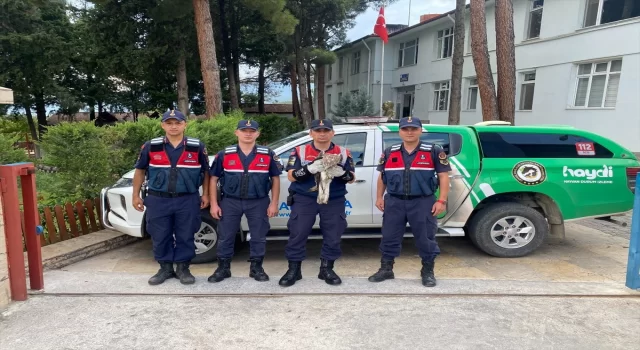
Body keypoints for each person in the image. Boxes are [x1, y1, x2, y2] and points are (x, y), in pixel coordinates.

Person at [368, 116, 451, 287]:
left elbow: (443, 177)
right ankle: (386, 269)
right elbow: (382, 177)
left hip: (422, 202)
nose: (410, 132)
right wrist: (379, 197)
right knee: (389, 236)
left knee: (426, 237)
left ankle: (427, 271)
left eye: (414, 128)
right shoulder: (390, 152)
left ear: (421, 130)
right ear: (400, 131)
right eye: (405, 129)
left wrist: (441, 200)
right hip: (394, 202)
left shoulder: (433, 151)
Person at [132, 109, 210, 285]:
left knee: (186, 234)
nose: (173, 126)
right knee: (160, 235)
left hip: (187, 199)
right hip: (158, 199)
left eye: (177, 123)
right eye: (169, 123)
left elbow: (206, 172)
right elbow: (140, 171)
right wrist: (135, 196)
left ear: (185, 124)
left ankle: (183, 268)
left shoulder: (197, 146)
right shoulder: (151, 146)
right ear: (163, 125)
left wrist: (205, 194)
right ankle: (165, 268)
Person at [279, 119, 356, 287]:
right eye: (318, 130)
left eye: (326, 130)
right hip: (305, 198)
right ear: (311, 133)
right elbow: (291, 176)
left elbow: (351, 178)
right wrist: (309, 169)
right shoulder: (300, 150)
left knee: (333, 233)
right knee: (298, 232)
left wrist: (341, 173)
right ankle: (294, 270)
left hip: (334, 199)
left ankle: (327, 269)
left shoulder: (342, 151)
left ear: (332, 133)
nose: (322, 134)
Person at [207, 120, 282, 283]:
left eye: (251, 131)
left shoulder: (267, 154)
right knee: (226, 236)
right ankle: (223, 268)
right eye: (244, 130)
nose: (248, 133)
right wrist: (214, 203)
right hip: (230, 201)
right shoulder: (225, 154)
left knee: (258, 236)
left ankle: (256, 268)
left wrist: (274, 203)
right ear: (237, 133)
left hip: (259, 201)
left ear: (257, 134)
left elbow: (275, 178)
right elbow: (213, 179)